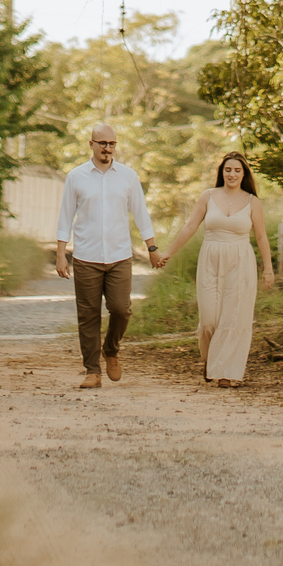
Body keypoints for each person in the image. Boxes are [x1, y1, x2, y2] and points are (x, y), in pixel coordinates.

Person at [56, 123, 161, 389]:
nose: (107, 148)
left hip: (119, 256)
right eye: (102, 143)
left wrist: (152, 249)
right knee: (88, 316)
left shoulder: (127, 176)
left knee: (121, 310)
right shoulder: (76, 177)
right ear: (91, 144)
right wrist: (60, 254)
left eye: (112, 144)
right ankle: (92, 370)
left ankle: (111, 349)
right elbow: (65, 216)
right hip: (86, 257)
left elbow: (141, 213)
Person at [157, 151, 274, 386]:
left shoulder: (252, 201)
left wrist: (268, 269)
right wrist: (168, 252)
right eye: (228, 169)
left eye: (237, 170)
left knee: (234, 318)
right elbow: (190, 226)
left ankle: (226, 373)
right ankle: (211, 360)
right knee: (209, 320)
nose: (232, 174)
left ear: (244, 174)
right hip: (210, 259)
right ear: (222, 172)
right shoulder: (208, 196)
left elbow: (261, 237)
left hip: (240, 261)